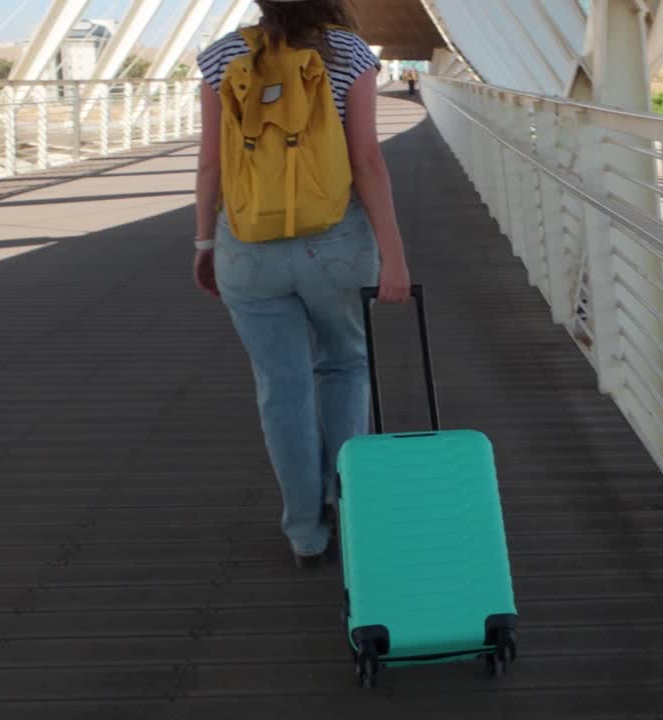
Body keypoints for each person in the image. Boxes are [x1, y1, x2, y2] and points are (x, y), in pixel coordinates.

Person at [192, 0, 411, 568]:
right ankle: (350, 502)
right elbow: (367, 161)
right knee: (346, 366)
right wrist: (393, 256)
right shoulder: (347, 53)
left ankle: (305, 531)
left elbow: (211, 164)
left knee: (281, 386)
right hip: (336, 243)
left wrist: (205, 243)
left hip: (247, 246)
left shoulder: (221, 57)